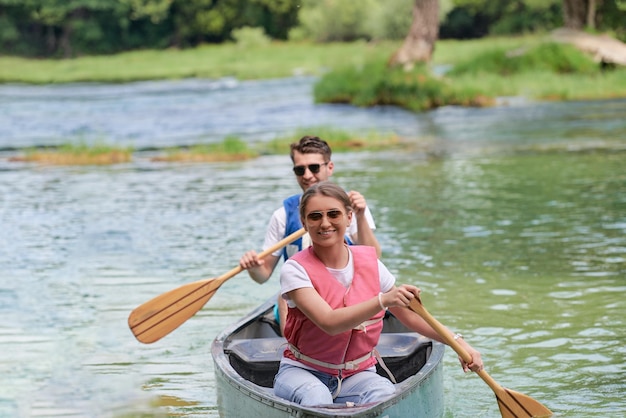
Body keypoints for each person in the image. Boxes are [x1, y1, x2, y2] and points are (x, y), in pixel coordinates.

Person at [274, 181, 483, 406]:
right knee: (317, 397)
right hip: (303, 371)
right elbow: (329, 323)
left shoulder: (371, 263)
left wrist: (458, 343)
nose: (325, 223)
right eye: (315, 216)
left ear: (349, 217)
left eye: (333, 214)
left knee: (383, 394)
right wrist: (383, 300)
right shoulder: (294, 269)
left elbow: (411, 316)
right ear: (304, 223)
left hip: (357, 375)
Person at [239, 135, 381, 335]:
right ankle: (292, 353)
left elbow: (373, 259)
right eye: (300, 169)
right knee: (283, 296)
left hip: (347, 296)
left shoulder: (350, 207)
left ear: (329, 167)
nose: (307, 175)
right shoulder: (282, 215)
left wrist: (360, 215)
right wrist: (253, 268)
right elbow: (262, 276)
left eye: (314, 168)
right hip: (301, 300)